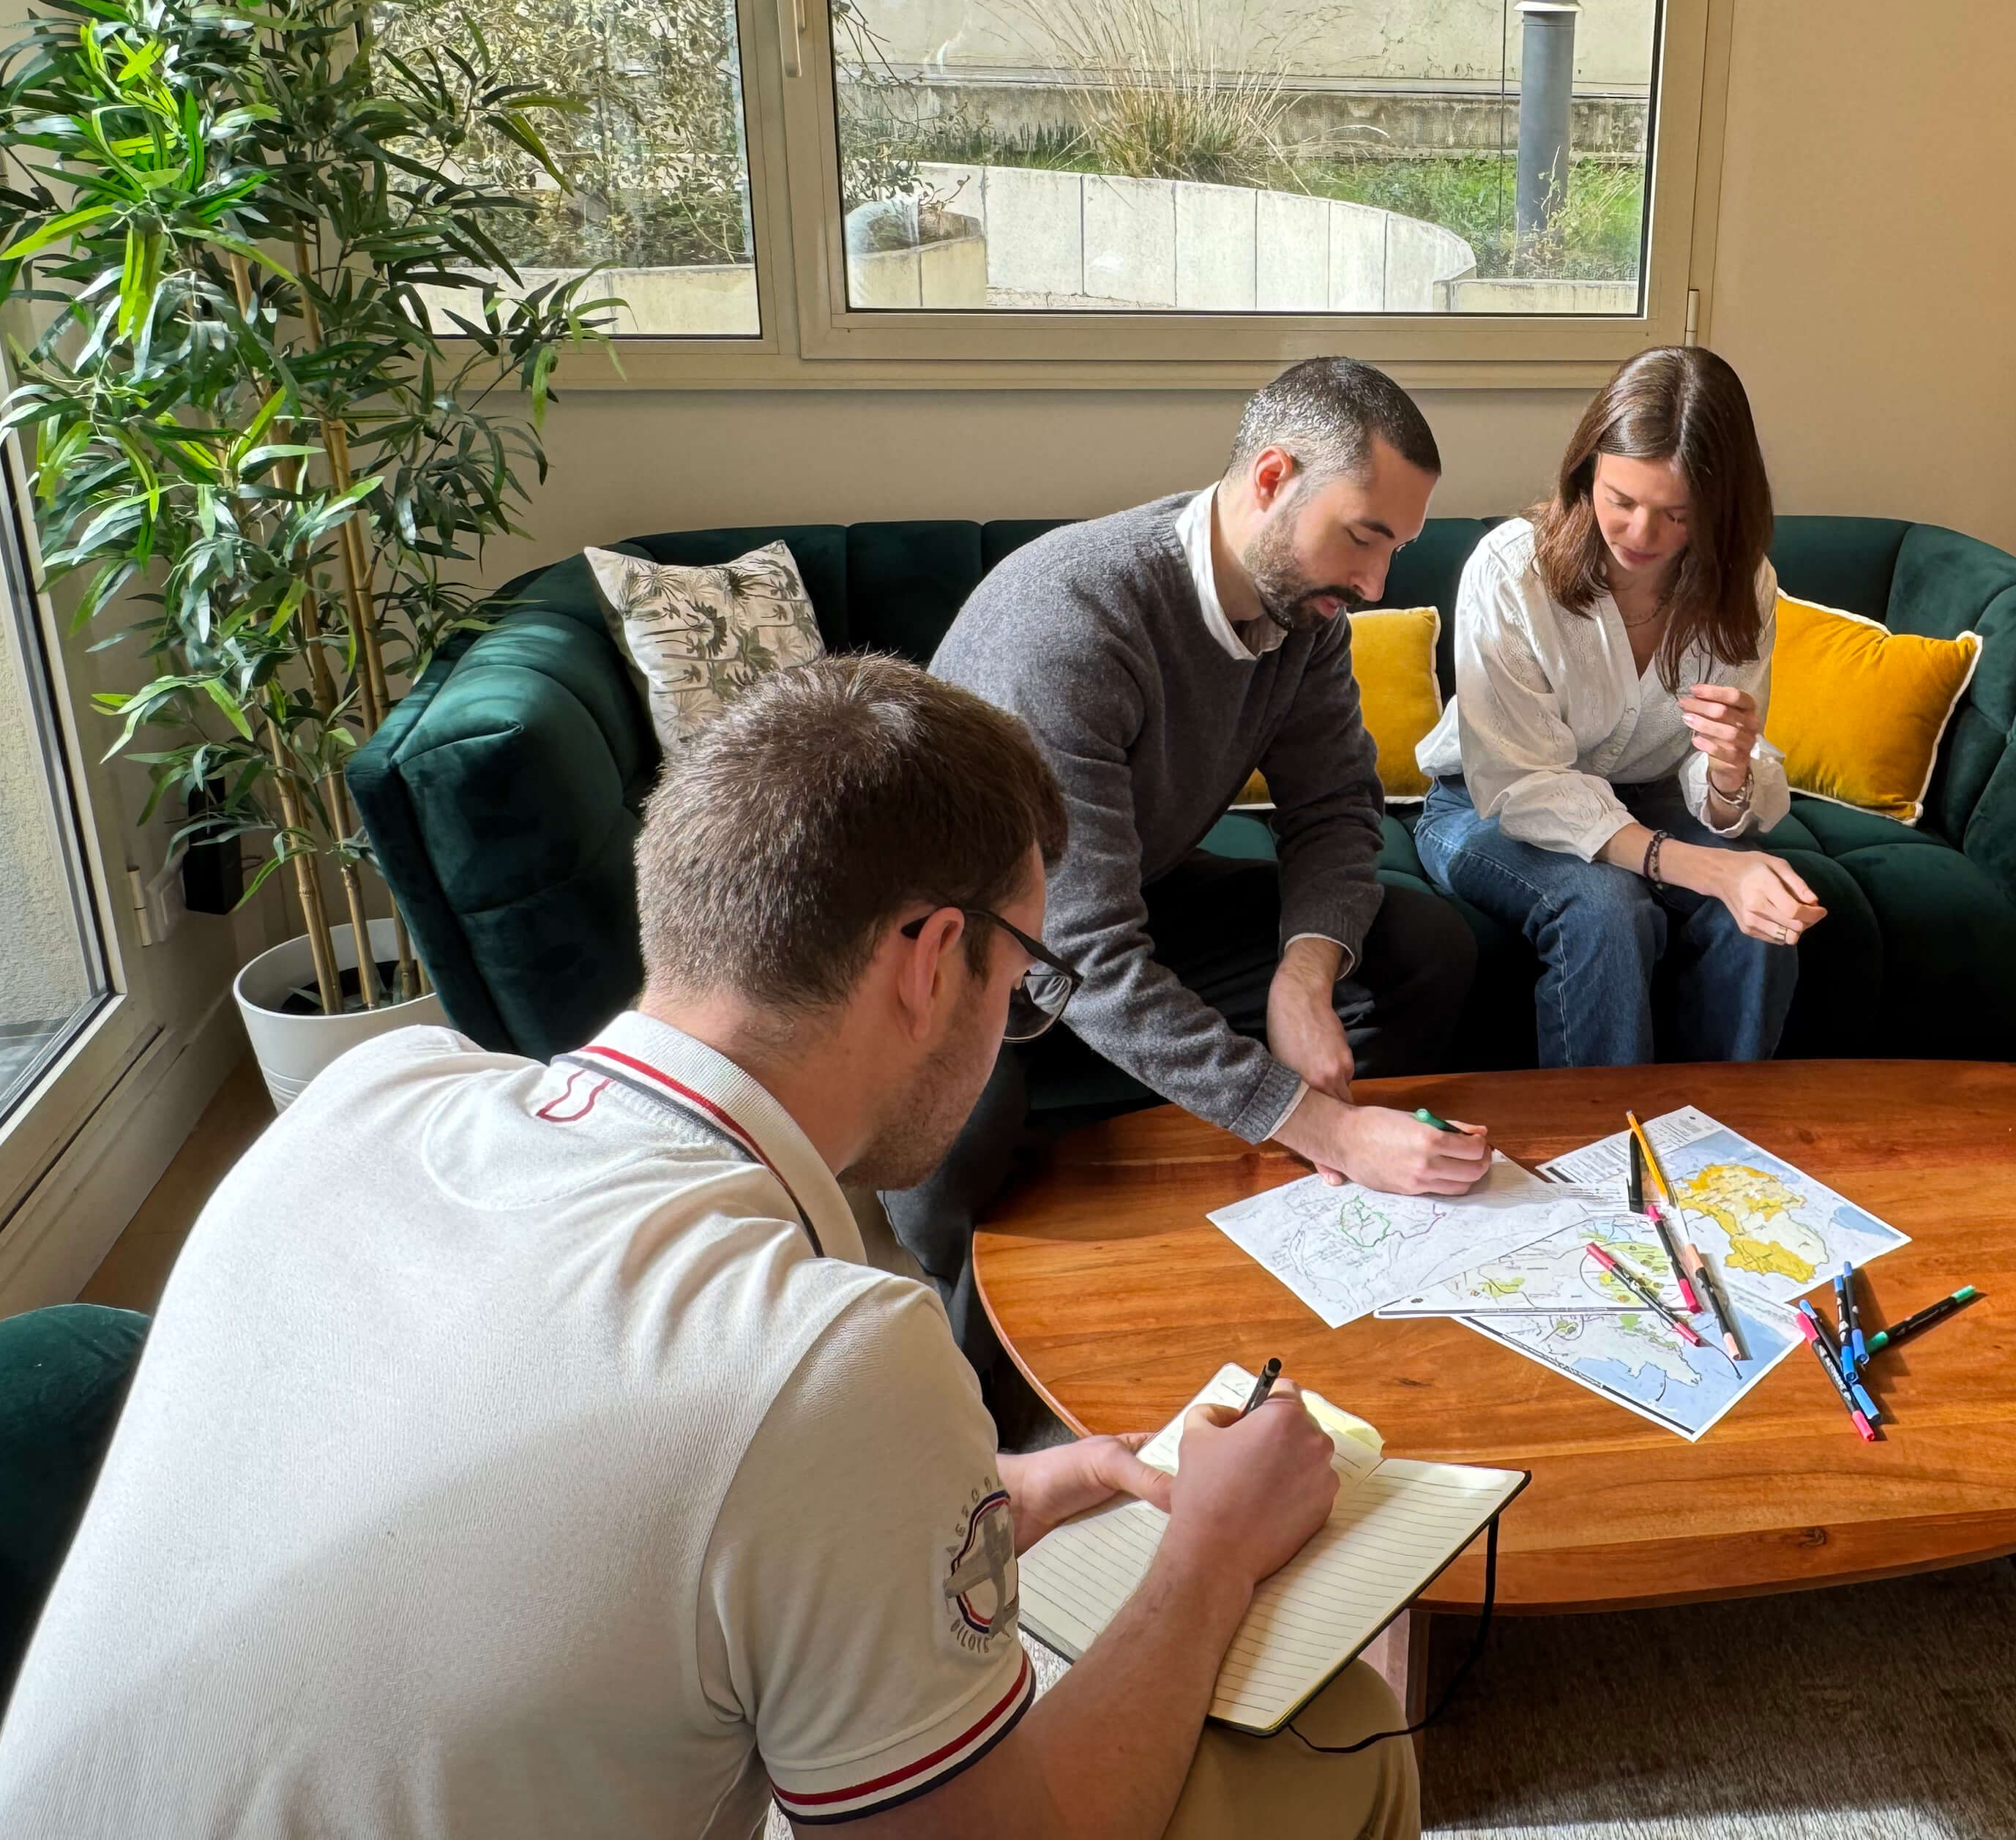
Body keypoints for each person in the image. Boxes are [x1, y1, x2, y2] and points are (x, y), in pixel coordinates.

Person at [0, 656, 1416, 1838]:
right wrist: (1211, 1554)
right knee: (1338, 1725)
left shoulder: (367, 1094)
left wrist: (969, 1488)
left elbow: (552, 1463)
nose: (1012, 1025)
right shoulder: (830, 1349)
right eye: (1023, 978)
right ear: (930, 959)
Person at [896, 357, 1483, 1346]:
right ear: (1270, 478)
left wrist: (1304, 974)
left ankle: (1262, 1207)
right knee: (960, 1165)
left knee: (1422, 946)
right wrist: (1321, 1120)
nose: (1377, 583)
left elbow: (1337, 805)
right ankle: (985, 1378)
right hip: (962, 949)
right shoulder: (1072, 624)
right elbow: (1082, 960)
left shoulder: (1305, 614)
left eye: (1397, 550)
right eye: (1364, 537)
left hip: (1116, 897)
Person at [1413, 346, 1823, 1066]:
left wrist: (1730, 770)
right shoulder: (1514, 573)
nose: (1642, 535)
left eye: (1676, 515)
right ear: (1585, 476)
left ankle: (1718, 1150)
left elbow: (1716, 776)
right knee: (1606, 911)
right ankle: (1602, 1157)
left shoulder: (1743, 582)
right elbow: (1523, 786)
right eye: (1621, 502)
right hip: (1485, 804)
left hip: (1655, 795)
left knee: (1761, 920)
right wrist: (1703, 867)